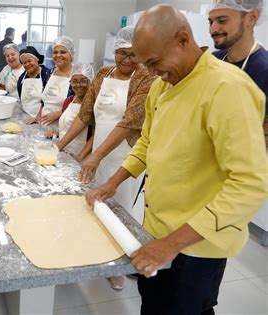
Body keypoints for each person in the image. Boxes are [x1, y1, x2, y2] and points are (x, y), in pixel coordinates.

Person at [85, 5, 267, 314]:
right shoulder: (161, 86)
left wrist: (171, 244)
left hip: (196, 244)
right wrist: (113, 183)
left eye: (154, 62)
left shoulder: (227, 89)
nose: (152, 73)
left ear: (183, 39)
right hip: (157, 225)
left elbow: (250, 184)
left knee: (181, 306)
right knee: (156, 303)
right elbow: (147, 142)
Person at [60, 26, 155, 291]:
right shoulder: (103, 74)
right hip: (100, 152)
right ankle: (94, 252)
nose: (127, 60)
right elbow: (85, 115)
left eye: (133, 55)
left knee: (120, 210)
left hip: (125, 155)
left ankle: (118, 267)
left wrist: (96, 156)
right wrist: (60, 145)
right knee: (96, 205)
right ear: (114, 52)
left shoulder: (145, 78)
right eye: (122, 54)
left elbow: (129, 122)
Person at [208, 0, 267, 147]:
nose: (213, 29)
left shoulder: (263, 70)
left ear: (251, 18)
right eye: (210, 22)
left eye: (222, 20)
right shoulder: (212, 61)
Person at [44, 62, 95, 159]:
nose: (78, 85)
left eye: (83, 81)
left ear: (91, 81)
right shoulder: (69, 100)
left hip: (81, 156)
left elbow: (95, 135)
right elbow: (66, 125)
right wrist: (56, 133)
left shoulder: (94, 104)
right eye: (74, 81)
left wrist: (81, 156)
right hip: (64, 151)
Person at [34, 36, 75, 130]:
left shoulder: (77, 76)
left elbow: (80, 106)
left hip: (63, 129)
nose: (58, 55)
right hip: (44, 127)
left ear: (71, 54)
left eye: (63, 52)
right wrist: (37, 117)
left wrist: (59, 113)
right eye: (55, 52)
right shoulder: (49, 73)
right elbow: (44, 101)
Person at [17, 46, 52, 118]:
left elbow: (49, 101)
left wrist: (38, 117)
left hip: (44, 117)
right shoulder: (21, 78)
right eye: (24, 63)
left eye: (29, 61)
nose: (27, 64)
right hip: (26, 116)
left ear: (37, 59)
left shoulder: (47, 75)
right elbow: (21, 98)